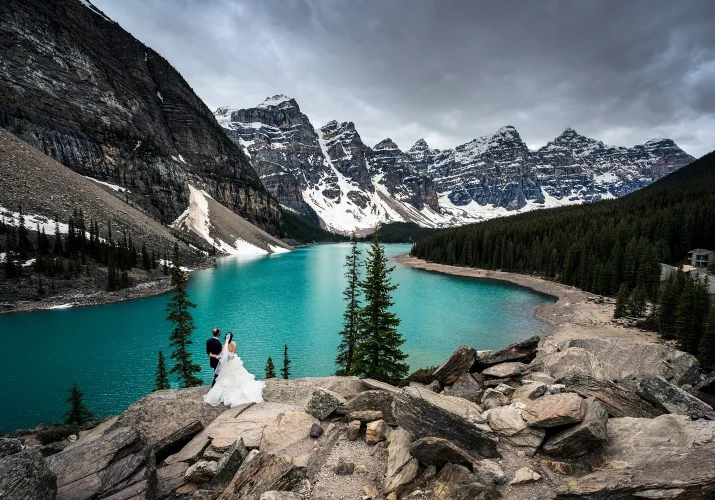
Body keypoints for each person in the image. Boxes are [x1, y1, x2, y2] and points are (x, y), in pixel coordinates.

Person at [204, 332, 265, 407]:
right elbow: (234, 353)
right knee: (239, 375)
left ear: (225, 337)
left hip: (228, 363)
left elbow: (223, 357)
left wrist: (212, 355)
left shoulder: (223, 346)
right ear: (231, 337)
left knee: (225, 378)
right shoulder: (234, 344)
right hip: (234, 361)